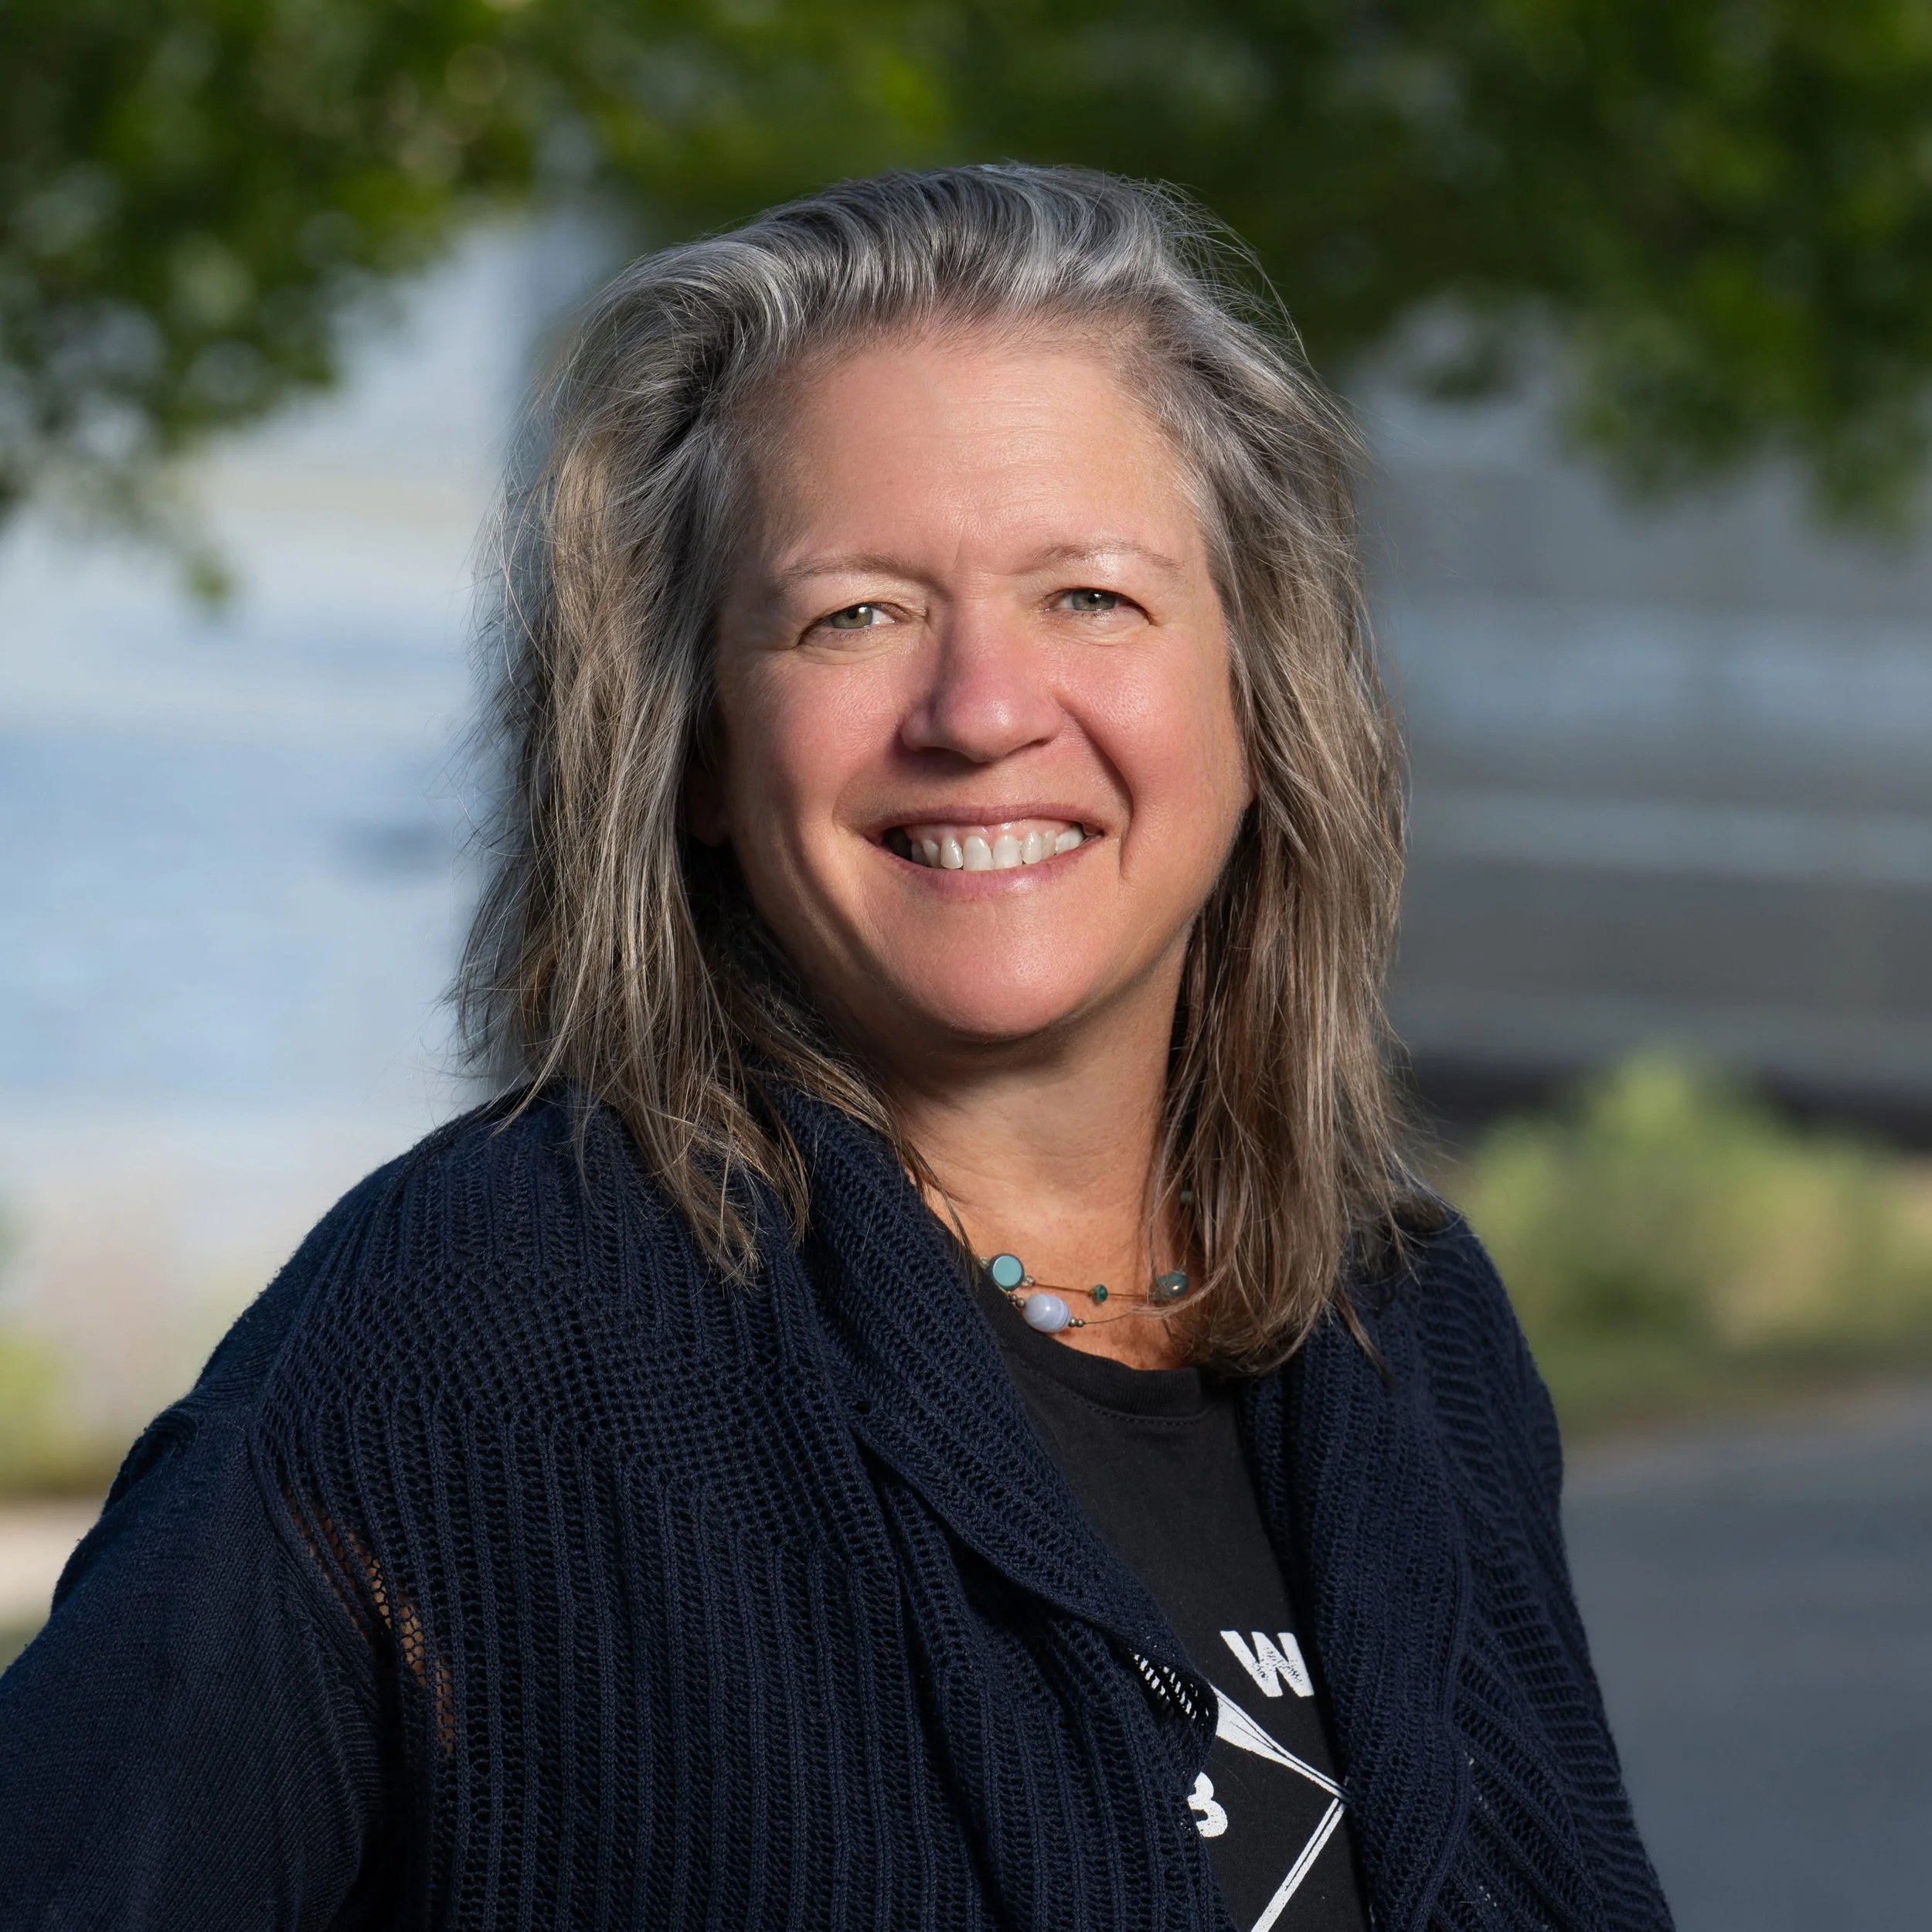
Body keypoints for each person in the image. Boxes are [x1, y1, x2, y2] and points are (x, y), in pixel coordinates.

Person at [0, 166, 1672, 1932]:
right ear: (699, 750)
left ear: (1258, 702)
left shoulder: (1411, 1335)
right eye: (851, 613)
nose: (978, 709)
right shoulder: (474, 1328)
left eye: (1088, 595)